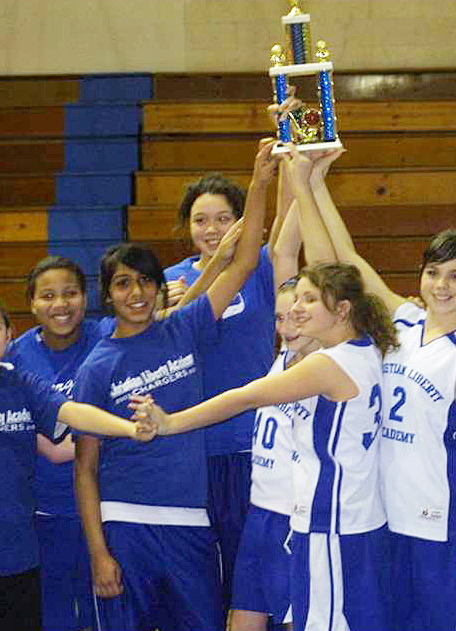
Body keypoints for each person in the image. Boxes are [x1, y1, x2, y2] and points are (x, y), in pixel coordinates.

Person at [292, 144, 456, 630]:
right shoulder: (402, 320)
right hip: (384, 516)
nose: (442, 285)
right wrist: (318, 182)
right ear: (421, 276)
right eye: (434, 273)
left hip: (440, 518)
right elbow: (346, 257)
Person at [72, 138, 278, 631]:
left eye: (144, 282)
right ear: (108, 294)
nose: (136, 293)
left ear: (160, 286)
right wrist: (99, 552)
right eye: (123, 284)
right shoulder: (97, 364)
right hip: (126, 521)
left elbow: (246, 261)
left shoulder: (185, 329)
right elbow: (85, 468)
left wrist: (260, 182)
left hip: (188, 519)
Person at [132, 261, 398, 631]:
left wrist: (171, 422)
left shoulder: (328, 364)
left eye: (309, 299)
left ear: (342, 310)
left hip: (331, 519)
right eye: (296, 300)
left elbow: (244, 397)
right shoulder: (365, 348)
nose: (297, 309)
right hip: (345, 515)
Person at [0, 285, 156, 631]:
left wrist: (129, 428)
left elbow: (74, 412)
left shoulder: (22, 385)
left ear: (10, 334)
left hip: (20, 557)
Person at [163, 165, 300, 615]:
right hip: (193, 450)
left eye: (224, 218)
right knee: (203, 576)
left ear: (242, 221)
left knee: (255, 575)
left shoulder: (259, 264)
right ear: (187, 226)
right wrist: (168, 303)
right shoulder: (169, 282)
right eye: (201, 220)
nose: (212, 229)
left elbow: (285, 228)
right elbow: (158, 345)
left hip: (252, 447)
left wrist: (289, 162)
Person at [5, 257, 100, 631]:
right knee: (52, 615)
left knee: (103, 612)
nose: (60, 304)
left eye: (70, 293)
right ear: (31, 304)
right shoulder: (15, 355)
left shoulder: (107, 336)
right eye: (48, 296)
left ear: (85, 297)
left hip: (103, 507)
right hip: (44, 511)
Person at [228, 278, 321, 631]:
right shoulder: (284, 355)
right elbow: (283, 249)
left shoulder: (326, 366)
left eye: (296, 317)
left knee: (294, 619)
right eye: (279, 319)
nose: (286, 327)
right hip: (260, 511)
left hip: (291, 516)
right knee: (244, 614)